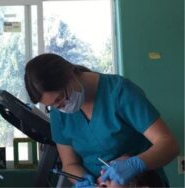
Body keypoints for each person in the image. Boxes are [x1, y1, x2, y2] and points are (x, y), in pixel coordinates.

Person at [24, 53, 179, 187]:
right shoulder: (59, 112)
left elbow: (169, 145)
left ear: (70, 75)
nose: (61, 108)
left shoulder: (120, 92)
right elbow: (70, 164)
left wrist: (136, 163)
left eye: (61, 98)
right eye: (53, 106)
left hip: (139, 181)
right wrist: (82, 181)